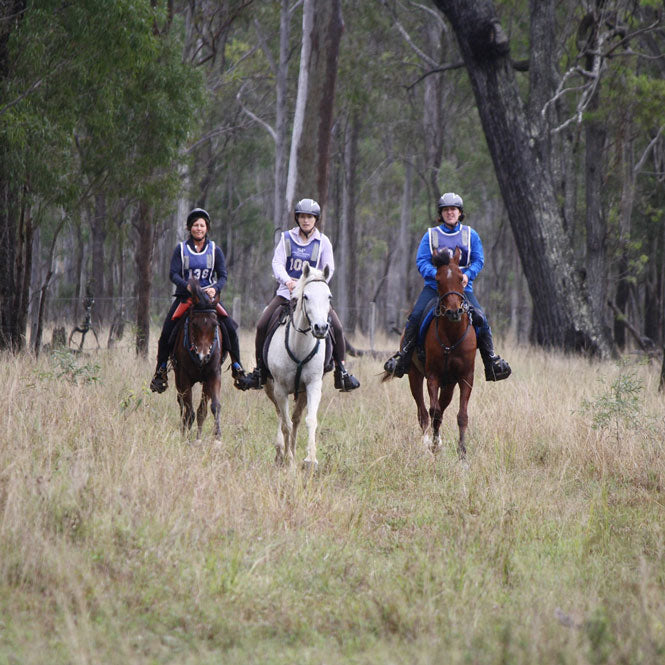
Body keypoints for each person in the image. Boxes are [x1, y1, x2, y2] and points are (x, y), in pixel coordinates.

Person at [384, 192, 511, 381]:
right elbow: (422, 261)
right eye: (446, 210)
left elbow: (478, 260)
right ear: (441, 214)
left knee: (480, 318)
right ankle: (402, 358)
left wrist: (468, 275)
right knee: (416, 316)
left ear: (460, 212)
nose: (450, 213)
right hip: (434, 288)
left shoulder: (470, 235)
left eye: (453, 209)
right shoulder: (431, 235)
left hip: (462, 289)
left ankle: (491, 361)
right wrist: (436, 275)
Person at [236, 198, 360, 392]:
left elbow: (330, 268)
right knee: (262, 325)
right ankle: (259, 370)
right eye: (302, 216)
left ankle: (341, 371)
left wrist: (312, 286)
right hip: (287, 293)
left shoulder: (323, 241)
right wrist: (288, 281)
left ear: (315, 219)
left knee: (337, 327)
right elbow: (277, 263)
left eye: (309, 217)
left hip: (312, 296)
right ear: (297, 218)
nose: (305, 220)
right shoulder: (287, 238)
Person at [150, 207, 248, 393]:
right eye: (195, 225)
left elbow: (223, 275)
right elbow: (173, 274)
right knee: (166, 333)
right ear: (189, 228)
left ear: (207, 228)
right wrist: (185, 285)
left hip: (209, 301)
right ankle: (161, 370)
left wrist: (215, 288)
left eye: (202, 225)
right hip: (187, 299)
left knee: (230, 329)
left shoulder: (215, 250)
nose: (199, 228)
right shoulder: (181, 249)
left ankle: (237, 367)